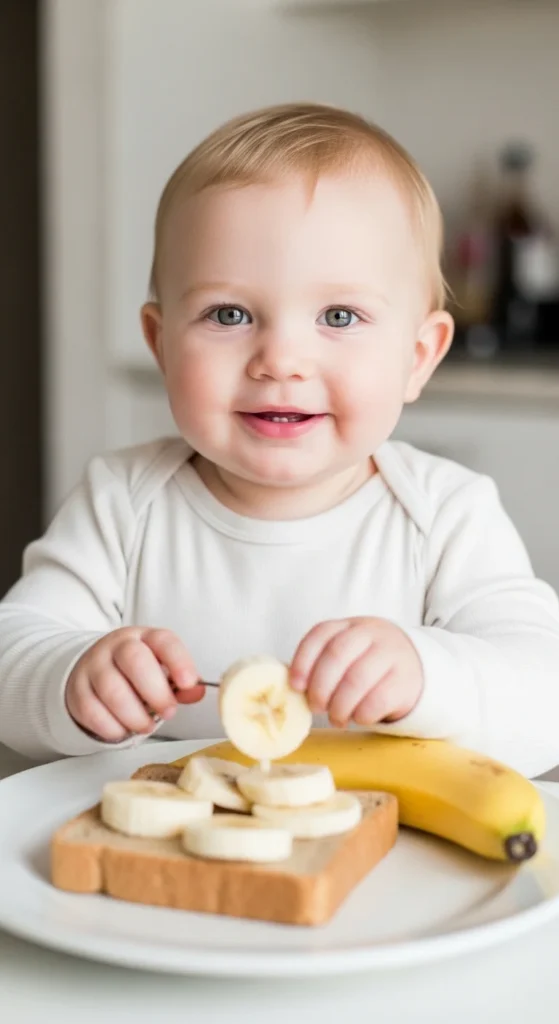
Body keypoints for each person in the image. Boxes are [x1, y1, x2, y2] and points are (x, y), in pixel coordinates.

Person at [1, 102, 558, 777]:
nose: (280, 359)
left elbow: (541, 704)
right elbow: (14, 655)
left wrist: (426, 674)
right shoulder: (120, 502)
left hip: (385, 863)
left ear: (417, 356)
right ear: (161, 344)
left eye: (338, 315)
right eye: (228, 314)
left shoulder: (445, 514)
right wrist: (69, 679)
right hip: (161, 856)